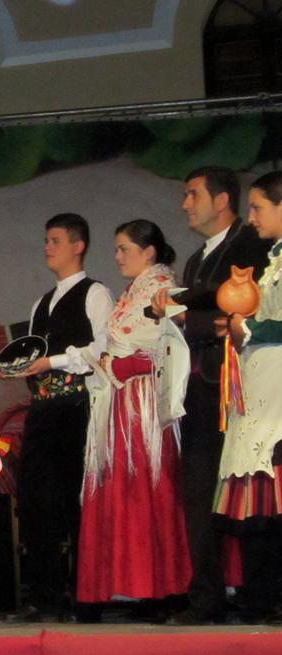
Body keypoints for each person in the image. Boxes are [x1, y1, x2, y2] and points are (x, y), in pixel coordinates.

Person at [152, 166, 273, 625]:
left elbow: (253, 316)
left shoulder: (252, 247)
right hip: (203, 389)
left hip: (241, 387)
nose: (185, 203)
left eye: (192, 194)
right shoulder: (198, 258)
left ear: (223, 201)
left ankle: (260, 594)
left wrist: (189, 319)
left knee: (251, 489)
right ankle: (208, 596)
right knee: (201, 493)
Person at [4, 213, 113, 622]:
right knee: (36, 505)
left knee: (76, 502)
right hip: (44, 409)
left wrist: (54, 359)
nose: (47, 247)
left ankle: (87, 596)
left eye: (55, 240)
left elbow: (103, 347)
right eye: (46, 240)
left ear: (78, 245)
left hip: (78, 407)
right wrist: (16, 366)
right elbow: (32, 357)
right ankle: (44, 595)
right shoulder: (41, 303)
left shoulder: (96, 293)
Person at [77, 221, 190, 613]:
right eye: (117, 248)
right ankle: (132, 585)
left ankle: (159, 588)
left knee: (147, 488)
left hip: (145, 407)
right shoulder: (132, 293)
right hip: (121, 405)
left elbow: (177, 344)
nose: (117, 256)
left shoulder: (163, 289)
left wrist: (132, 363)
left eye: (124, 248)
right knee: (126, 488)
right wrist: (108, 361)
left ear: (149, 252)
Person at [217, 171, 282, 623]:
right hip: (260, 388)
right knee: (258, 505)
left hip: (277, 395)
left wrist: (250, 327)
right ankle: (259, 599)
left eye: (258, 207)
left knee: (272, 498)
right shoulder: (272, 259)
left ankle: (264, 599)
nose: (252, 216)